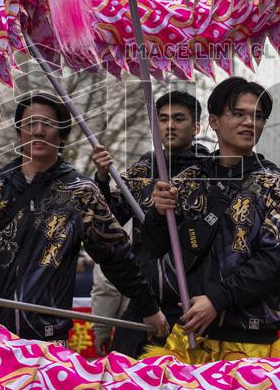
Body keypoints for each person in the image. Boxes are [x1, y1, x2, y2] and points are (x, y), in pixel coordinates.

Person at [0, 92, 169, 344]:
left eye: (48, 124)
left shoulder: (82, 193)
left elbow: (116, 257)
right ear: (19, 133)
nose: (38, 131)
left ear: (63, 135)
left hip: (48, 339)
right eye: (30, 124)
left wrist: (149, 308)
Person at [147, 77, 280, 363]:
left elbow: (275, 260)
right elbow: (154, 247)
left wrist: (218, 299)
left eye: (257, 116)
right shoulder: (188, 180)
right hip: (189, 337)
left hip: (249, 340)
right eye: (238, 113)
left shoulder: (275, 184)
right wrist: (157, 213)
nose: (249, 122)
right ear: (214, 121)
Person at [90, 90, 210, 356]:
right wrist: (101, 178)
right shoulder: (142, 169)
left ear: (196, 127)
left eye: (179, 119)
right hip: (144, 305)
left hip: (195, 308)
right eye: (163, 119)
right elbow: (111, 218)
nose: (169, 126)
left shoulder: (211, 173)